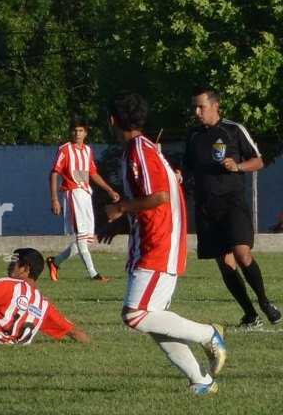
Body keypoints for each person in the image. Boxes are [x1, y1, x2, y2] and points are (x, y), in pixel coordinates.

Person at [104, 91, 226, 396]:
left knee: (135, 314)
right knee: (154, 319)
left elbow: (159, 196)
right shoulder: (136, 150)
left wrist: (121, 207)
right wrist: (122, 219)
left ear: (112, 120)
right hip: (150, 240)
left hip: (159, 242)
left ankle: (208, 333)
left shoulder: (140, 150)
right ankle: (201, 381)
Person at [184, 86, 280, 328]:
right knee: (225, 264)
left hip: (232, 202)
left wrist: (238, 166)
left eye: (201, 107)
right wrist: (178, 175)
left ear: (215, 105)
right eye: (195, 107)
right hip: (206, 206)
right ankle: (250, 314)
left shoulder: (233, 129)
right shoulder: (193, 135)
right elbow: (187, 168)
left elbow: (258, 161)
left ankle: (265, 302)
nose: (197, 112)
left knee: (241, 253)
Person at [46, 115, 121, 282]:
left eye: (80, 130)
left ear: (86, 133)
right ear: (70, 132)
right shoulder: (65, 149)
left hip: (86, 194)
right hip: (73, 194)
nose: (77, 133)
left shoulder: (87, 150)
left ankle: (55, 262)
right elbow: (54, 173)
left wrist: (109, 190)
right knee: (81, 236)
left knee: (86, 240)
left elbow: (92, 173)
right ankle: (94, 274)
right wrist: (54, 199)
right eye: (74, 130)